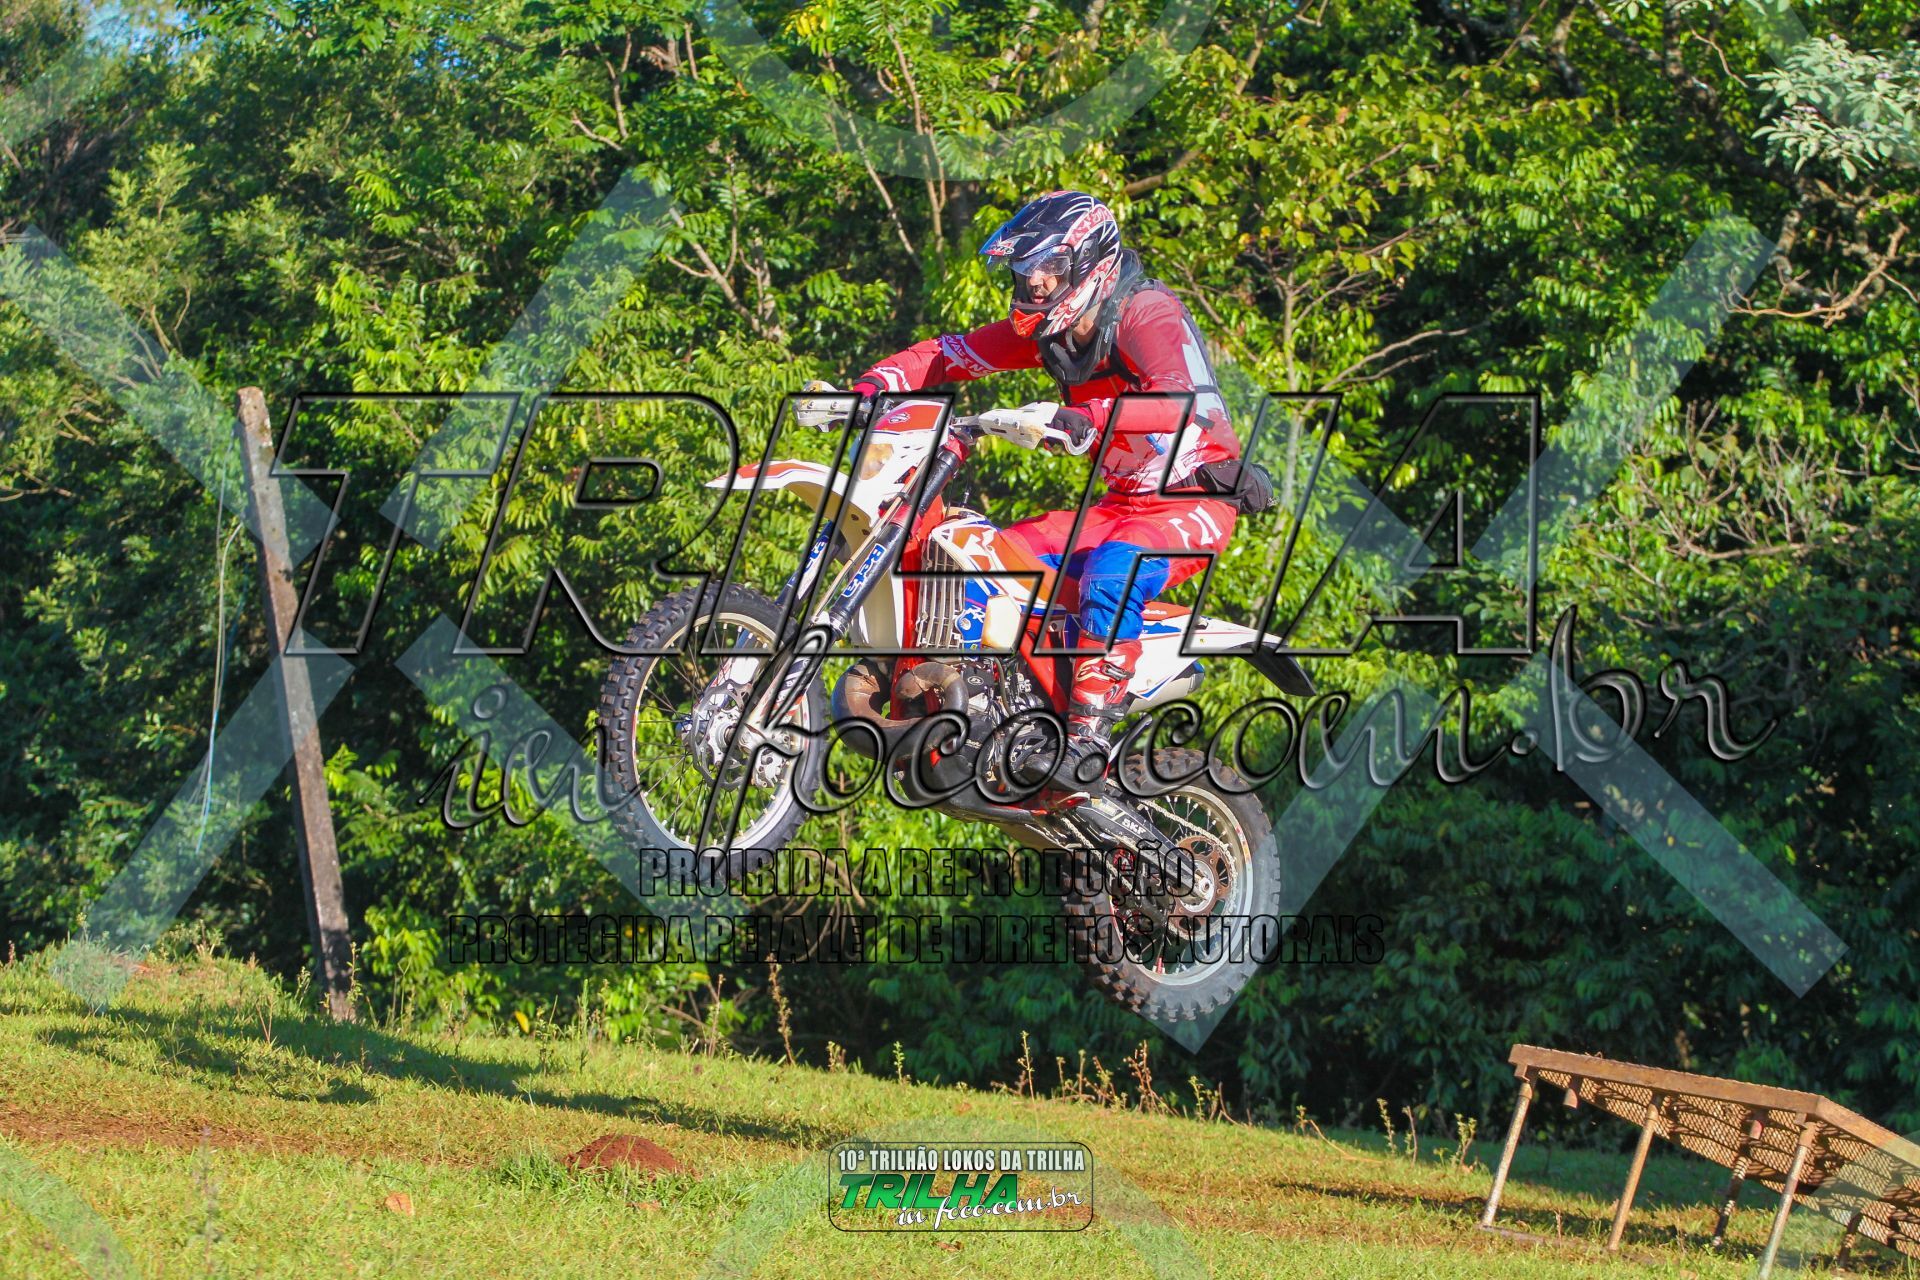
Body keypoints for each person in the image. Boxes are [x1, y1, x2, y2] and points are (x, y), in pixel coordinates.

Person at [802, 190, 1254, 789]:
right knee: (982, 562)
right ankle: (999, 708)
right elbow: (945, 356)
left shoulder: (1146, 313)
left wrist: (1090, 418)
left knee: (1113, 572)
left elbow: (1179, 401)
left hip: (1194, 499)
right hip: (1118, 504)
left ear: (1089, 263)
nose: (1034, 281)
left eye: (1049, 267)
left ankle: (1087, 736)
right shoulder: (1052, 333)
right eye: (1025, 267)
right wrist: (864, 393)